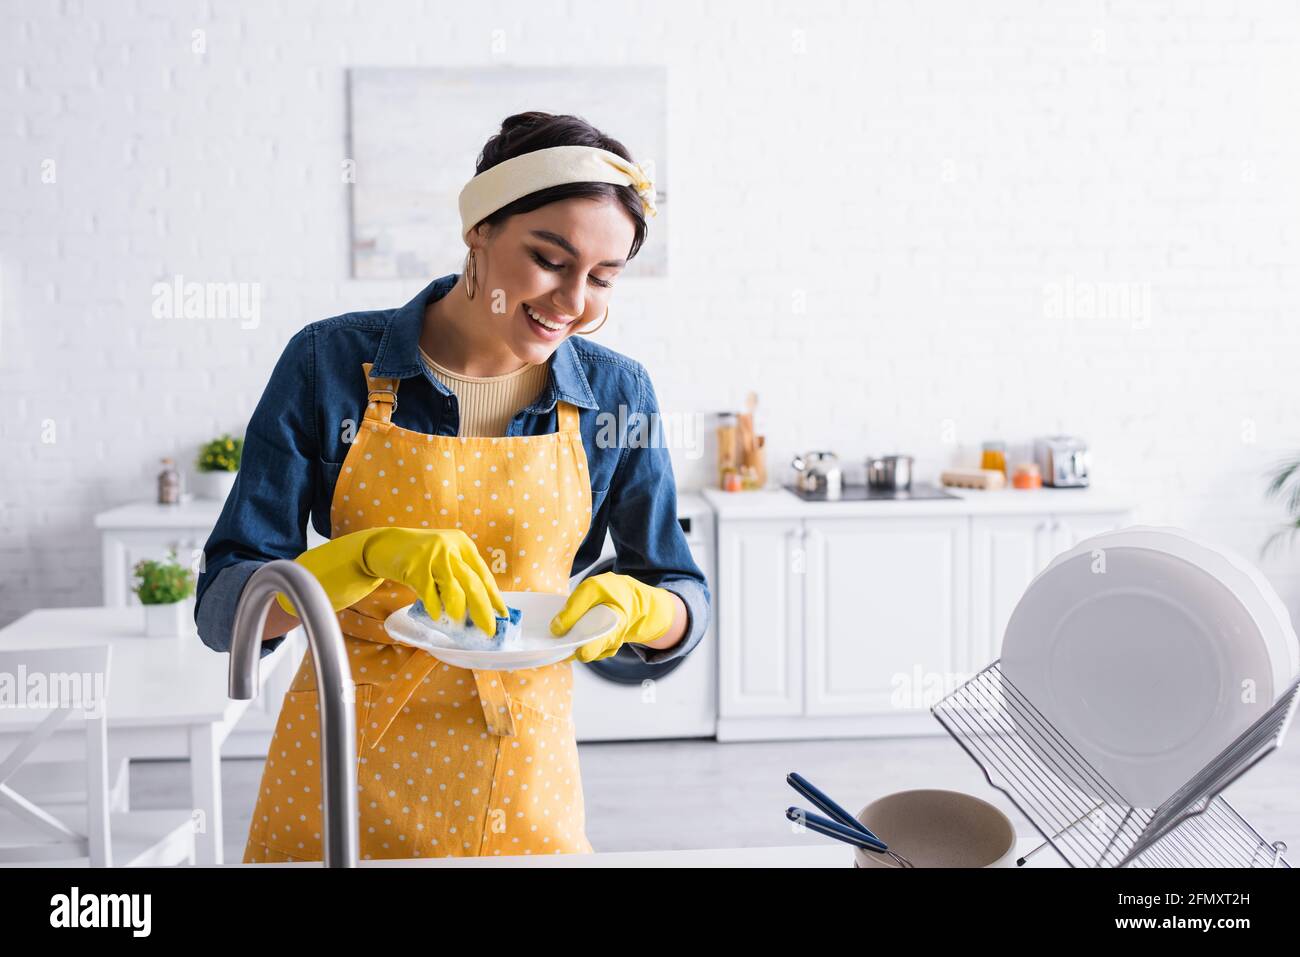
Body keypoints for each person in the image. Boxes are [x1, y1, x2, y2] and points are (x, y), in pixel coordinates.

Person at [194, 111, 710, 860]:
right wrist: (358, 560)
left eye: (602, 278)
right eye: (548, 258)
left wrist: (644, 605)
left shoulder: (616, 394)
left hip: (520, 770)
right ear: (480, 229)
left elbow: (680, 595)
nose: (573, 301)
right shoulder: (329, 364)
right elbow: (222, 613)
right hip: (341, 759)